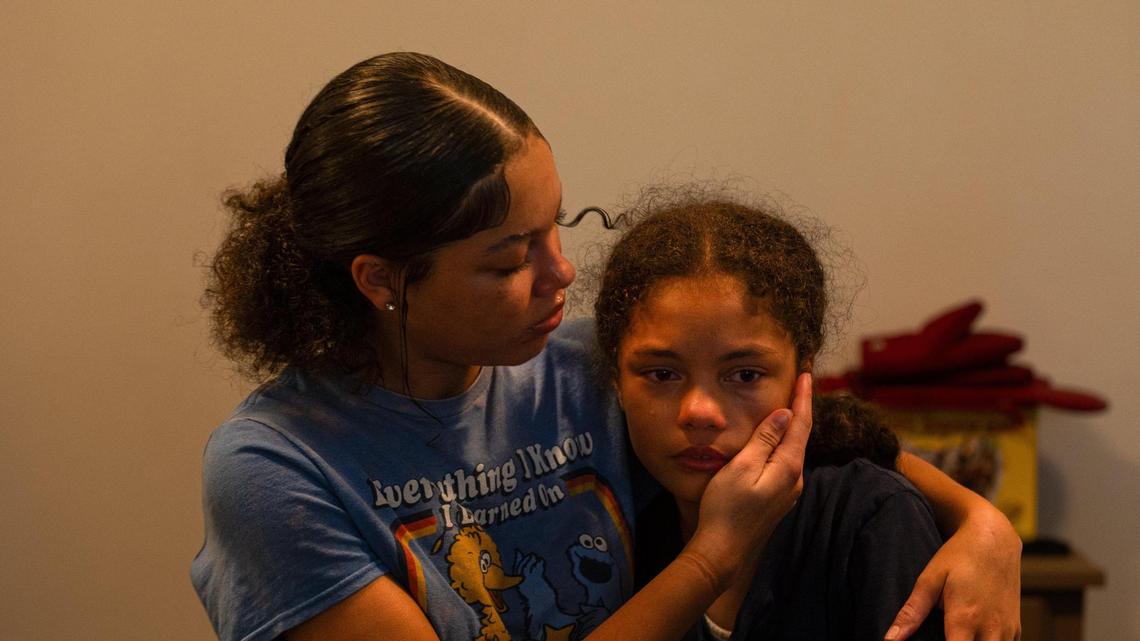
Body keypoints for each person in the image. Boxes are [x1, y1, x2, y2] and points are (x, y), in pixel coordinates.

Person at [190, 52, 1021, 641]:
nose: (562, 273)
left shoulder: (582, 365)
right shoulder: (276, 469)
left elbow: (801, 427)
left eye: (558, 226)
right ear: (382, 280)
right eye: (510, 258)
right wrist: (712, 558)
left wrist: (981, 521)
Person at [594, 192, 947, 640]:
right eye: (662, 373)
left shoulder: (867, 519)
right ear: (615, 380)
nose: (699, 412)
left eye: (744, 374)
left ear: (803, 375)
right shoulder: (611, 518)